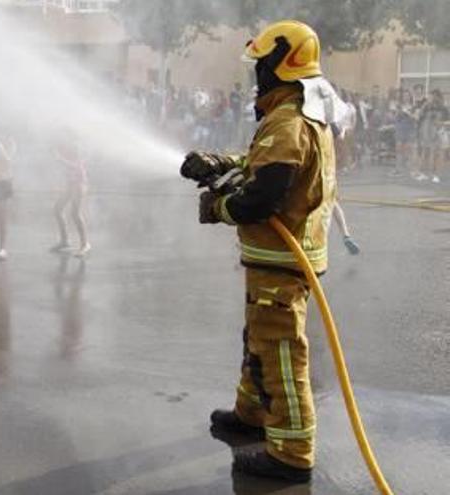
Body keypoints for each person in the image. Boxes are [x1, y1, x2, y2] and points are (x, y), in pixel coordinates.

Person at [181, 20, 336, 483]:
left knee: (281, 351)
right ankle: (251, 413)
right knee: (259, 340)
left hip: (284, 262)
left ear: (282, 64)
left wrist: (219, 207)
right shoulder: (293, 112)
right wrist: (220, 162)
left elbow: (262, 197)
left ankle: (291, 453)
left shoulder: (289, 120)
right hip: (280, 261)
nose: (258, 74)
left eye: (263, 64)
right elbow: (259, 161)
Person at [51, 131, 90, 257]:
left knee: (75, 213)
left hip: (79, 183)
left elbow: (77, 166)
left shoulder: (76, 146)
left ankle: (85, 245)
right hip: (70, 183)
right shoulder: (66, 147)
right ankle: (65, 241)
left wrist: (60, 159)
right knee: (57, 209)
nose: (60, 137)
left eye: (63, 135)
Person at [417, 89, 449, 183]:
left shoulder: (443, 108)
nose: (433, 99)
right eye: (431, 96)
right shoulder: (426, 106)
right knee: (425, 152)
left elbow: (448, 121)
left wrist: (442, 123)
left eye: (435, 96)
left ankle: (436, 174)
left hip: (439, 132)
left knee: (436, 154)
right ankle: (422, 173)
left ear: (439, 97)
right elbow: (420, 117)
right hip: (427, 132)